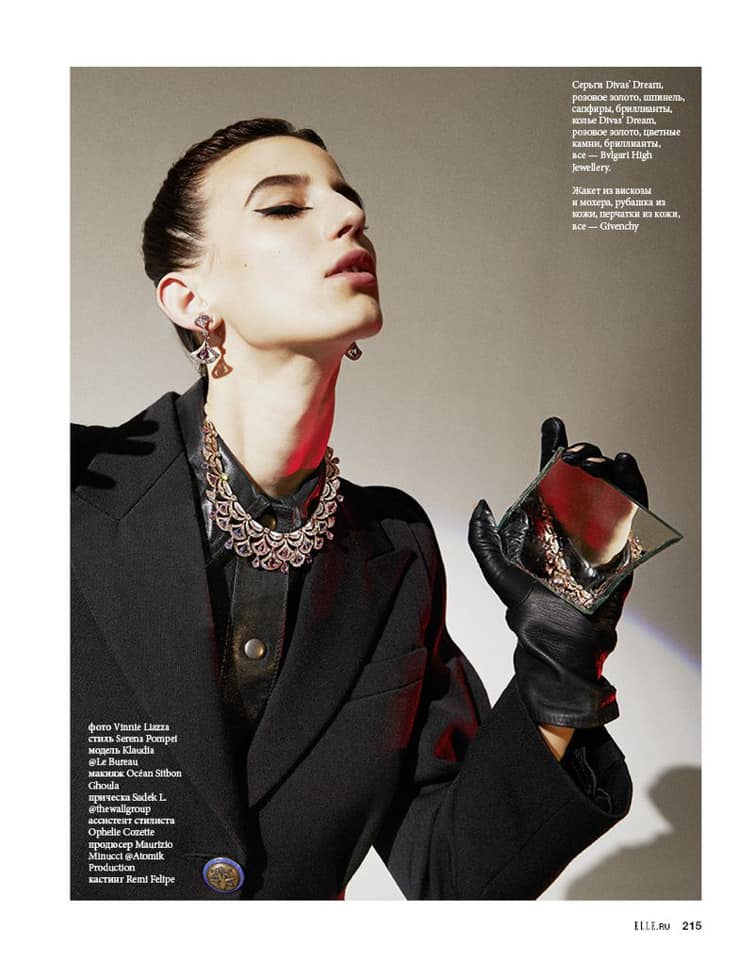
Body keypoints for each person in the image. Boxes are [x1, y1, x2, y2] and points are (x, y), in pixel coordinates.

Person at [71, 118, 648, 900]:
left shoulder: (396, 553)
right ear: (189, 297)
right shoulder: (65, 489)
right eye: (284, 207)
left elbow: (454, 880)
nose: (350, 217)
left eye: (350, 202)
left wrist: (560, 671)